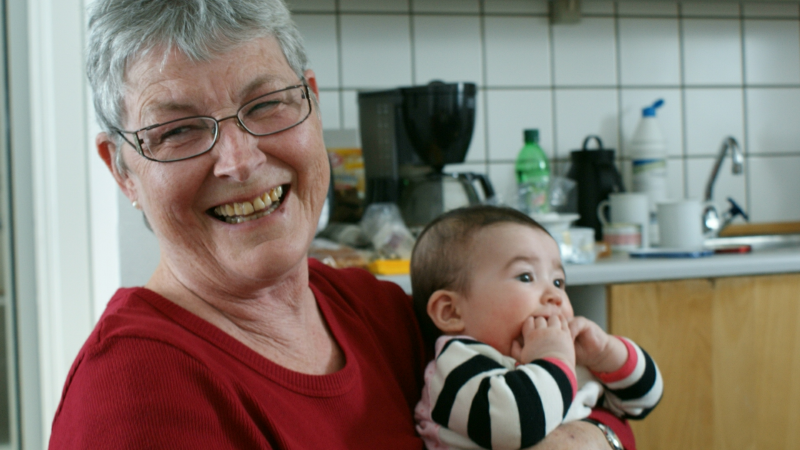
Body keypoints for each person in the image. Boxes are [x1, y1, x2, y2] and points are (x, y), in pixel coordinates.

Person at [49, 0, 641, 448]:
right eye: (178, 131)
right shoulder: (133, 397)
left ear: (312, 103)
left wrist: (591, 438)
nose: (239, 162)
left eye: (267, 104)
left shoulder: (380, 314)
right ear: (123, 171)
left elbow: (601, 413)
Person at [411, 205, 663, 450]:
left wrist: (606, 354)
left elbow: (643, 401)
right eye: (525, 277)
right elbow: (517, 425)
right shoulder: (456, 367)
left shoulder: (560, 357)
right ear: (451, 312)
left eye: (558, 281)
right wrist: (553, 358)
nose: (555, 295)